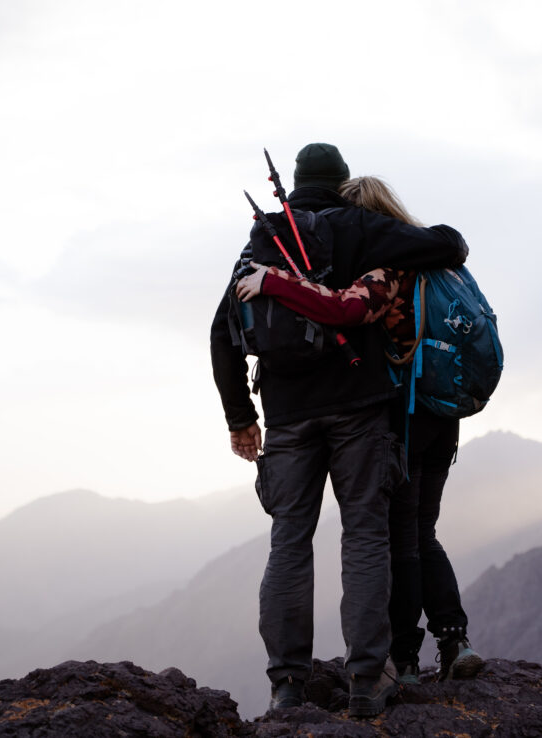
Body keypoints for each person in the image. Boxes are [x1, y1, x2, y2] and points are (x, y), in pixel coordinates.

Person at [209, 145, 468, 717]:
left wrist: (240, 418)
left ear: (295, 183)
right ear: (343, 181)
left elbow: (222, 330)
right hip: (360, 407)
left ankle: (286, 685)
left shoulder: (262, 241)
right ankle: (366, 679)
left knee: (288, 543)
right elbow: (450, 245)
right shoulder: (361, 227)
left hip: (287, 414)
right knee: (367, 538)